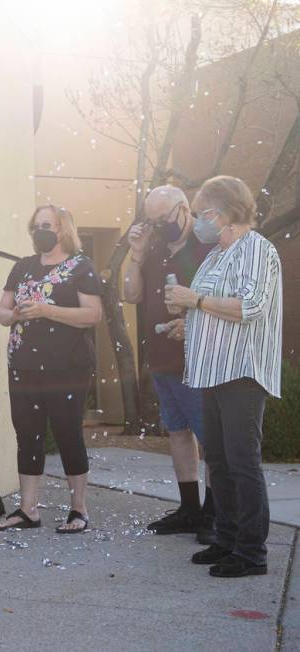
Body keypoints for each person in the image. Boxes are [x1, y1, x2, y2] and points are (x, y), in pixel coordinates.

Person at [165, 175, 282, 578]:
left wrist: (193, 300)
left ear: (227, 212)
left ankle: (252, 552)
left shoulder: (257, 250)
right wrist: (189, 322)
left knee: (242, 462)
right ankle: (227, 539)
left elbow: (249, 306)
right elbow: (213, 309)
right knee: (217, 459)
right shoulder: (216, 255)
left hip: (242, 373)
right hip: (211, 372)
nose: (198, 220)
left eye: (202, 213)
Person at [0, 205, 103, 534]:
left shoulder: (80, 267)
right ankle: (28, 509)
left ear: (63, 229)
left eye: (48, 225)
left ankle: (78, 509)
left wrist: (46, 310)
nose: (41, 230)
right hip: (24, 364)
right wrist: (14, 316)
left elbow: (92, 315)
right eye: (36, 225)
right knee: (27, 434)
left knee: (68, 433)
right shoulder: (23, 267)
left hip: (67, 365)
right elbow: (0, 311)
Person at [123, 185, 215, 543]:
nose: (159, 225)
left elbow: (222, 301)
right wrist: (135, 254)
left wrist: (191, 323)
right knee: (178, 432)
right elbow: (130, 294)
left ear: (183, 209)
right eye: (153, 220)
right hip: (161, 357)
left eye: (164, 218)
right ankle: (190, 507)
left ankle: (215, 512)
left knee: (211, 439)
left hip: (200, 360)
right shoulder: (154, 249)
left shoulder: (207, 247)